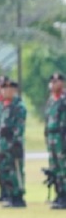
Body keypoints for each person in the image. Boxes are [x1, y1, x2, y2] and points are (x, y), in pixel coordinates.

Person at [0, 79, 27, 208]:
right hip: (4, 143)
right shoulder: (3, 106)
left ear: (14, 90)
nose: (6, 91)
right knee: (6, 170)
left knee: (16, 170)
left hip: (14, 143)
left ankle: (18, 196)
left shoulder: (18, 106)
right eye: (3, 88)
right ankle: (10, 195)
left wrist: (14, 139)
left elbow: (19, 126)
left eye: (9, 89)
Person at [45, 73, 66, 209]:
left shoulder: (64, 100)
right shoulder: (51, 100)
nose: (54, 83)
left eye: (57, 81)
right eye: (52, 81)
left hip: (62, 137)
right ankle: (58, 194)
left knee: (63, 168)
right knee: (55, 168)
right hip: (52, 137)